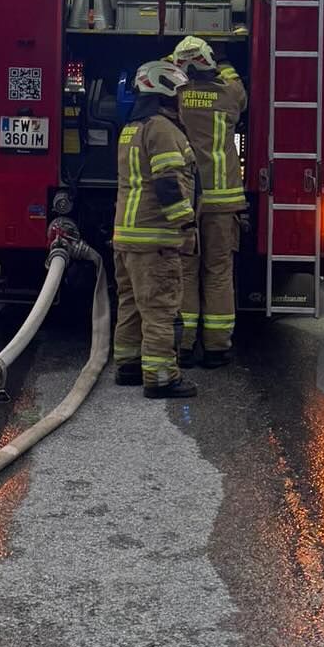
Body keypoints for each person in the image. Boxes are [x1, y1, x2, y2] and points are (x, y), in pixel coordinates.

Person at [113, 59, 199, 400]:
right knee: (161, 309)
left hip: (127, 237)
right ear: (165, 90)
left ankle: (129, 365)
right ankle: (161, 377)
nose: (181, 99)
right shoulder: (163, 129)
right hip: (156, 238)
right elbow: (167, 184)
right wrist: (186, 223)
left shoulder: (131, 128)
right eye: (178, 91)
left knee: (131, 304)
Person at [171, 35, 247, 369]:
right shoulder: (229, 95)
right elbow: (240, 91)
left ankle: (184, 346)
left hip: (186, 200)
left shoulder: (176, 97)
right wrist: (226, 59)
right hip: (222, 200)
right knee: (218, 272)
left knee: (185, 271)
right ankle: (217, 348)